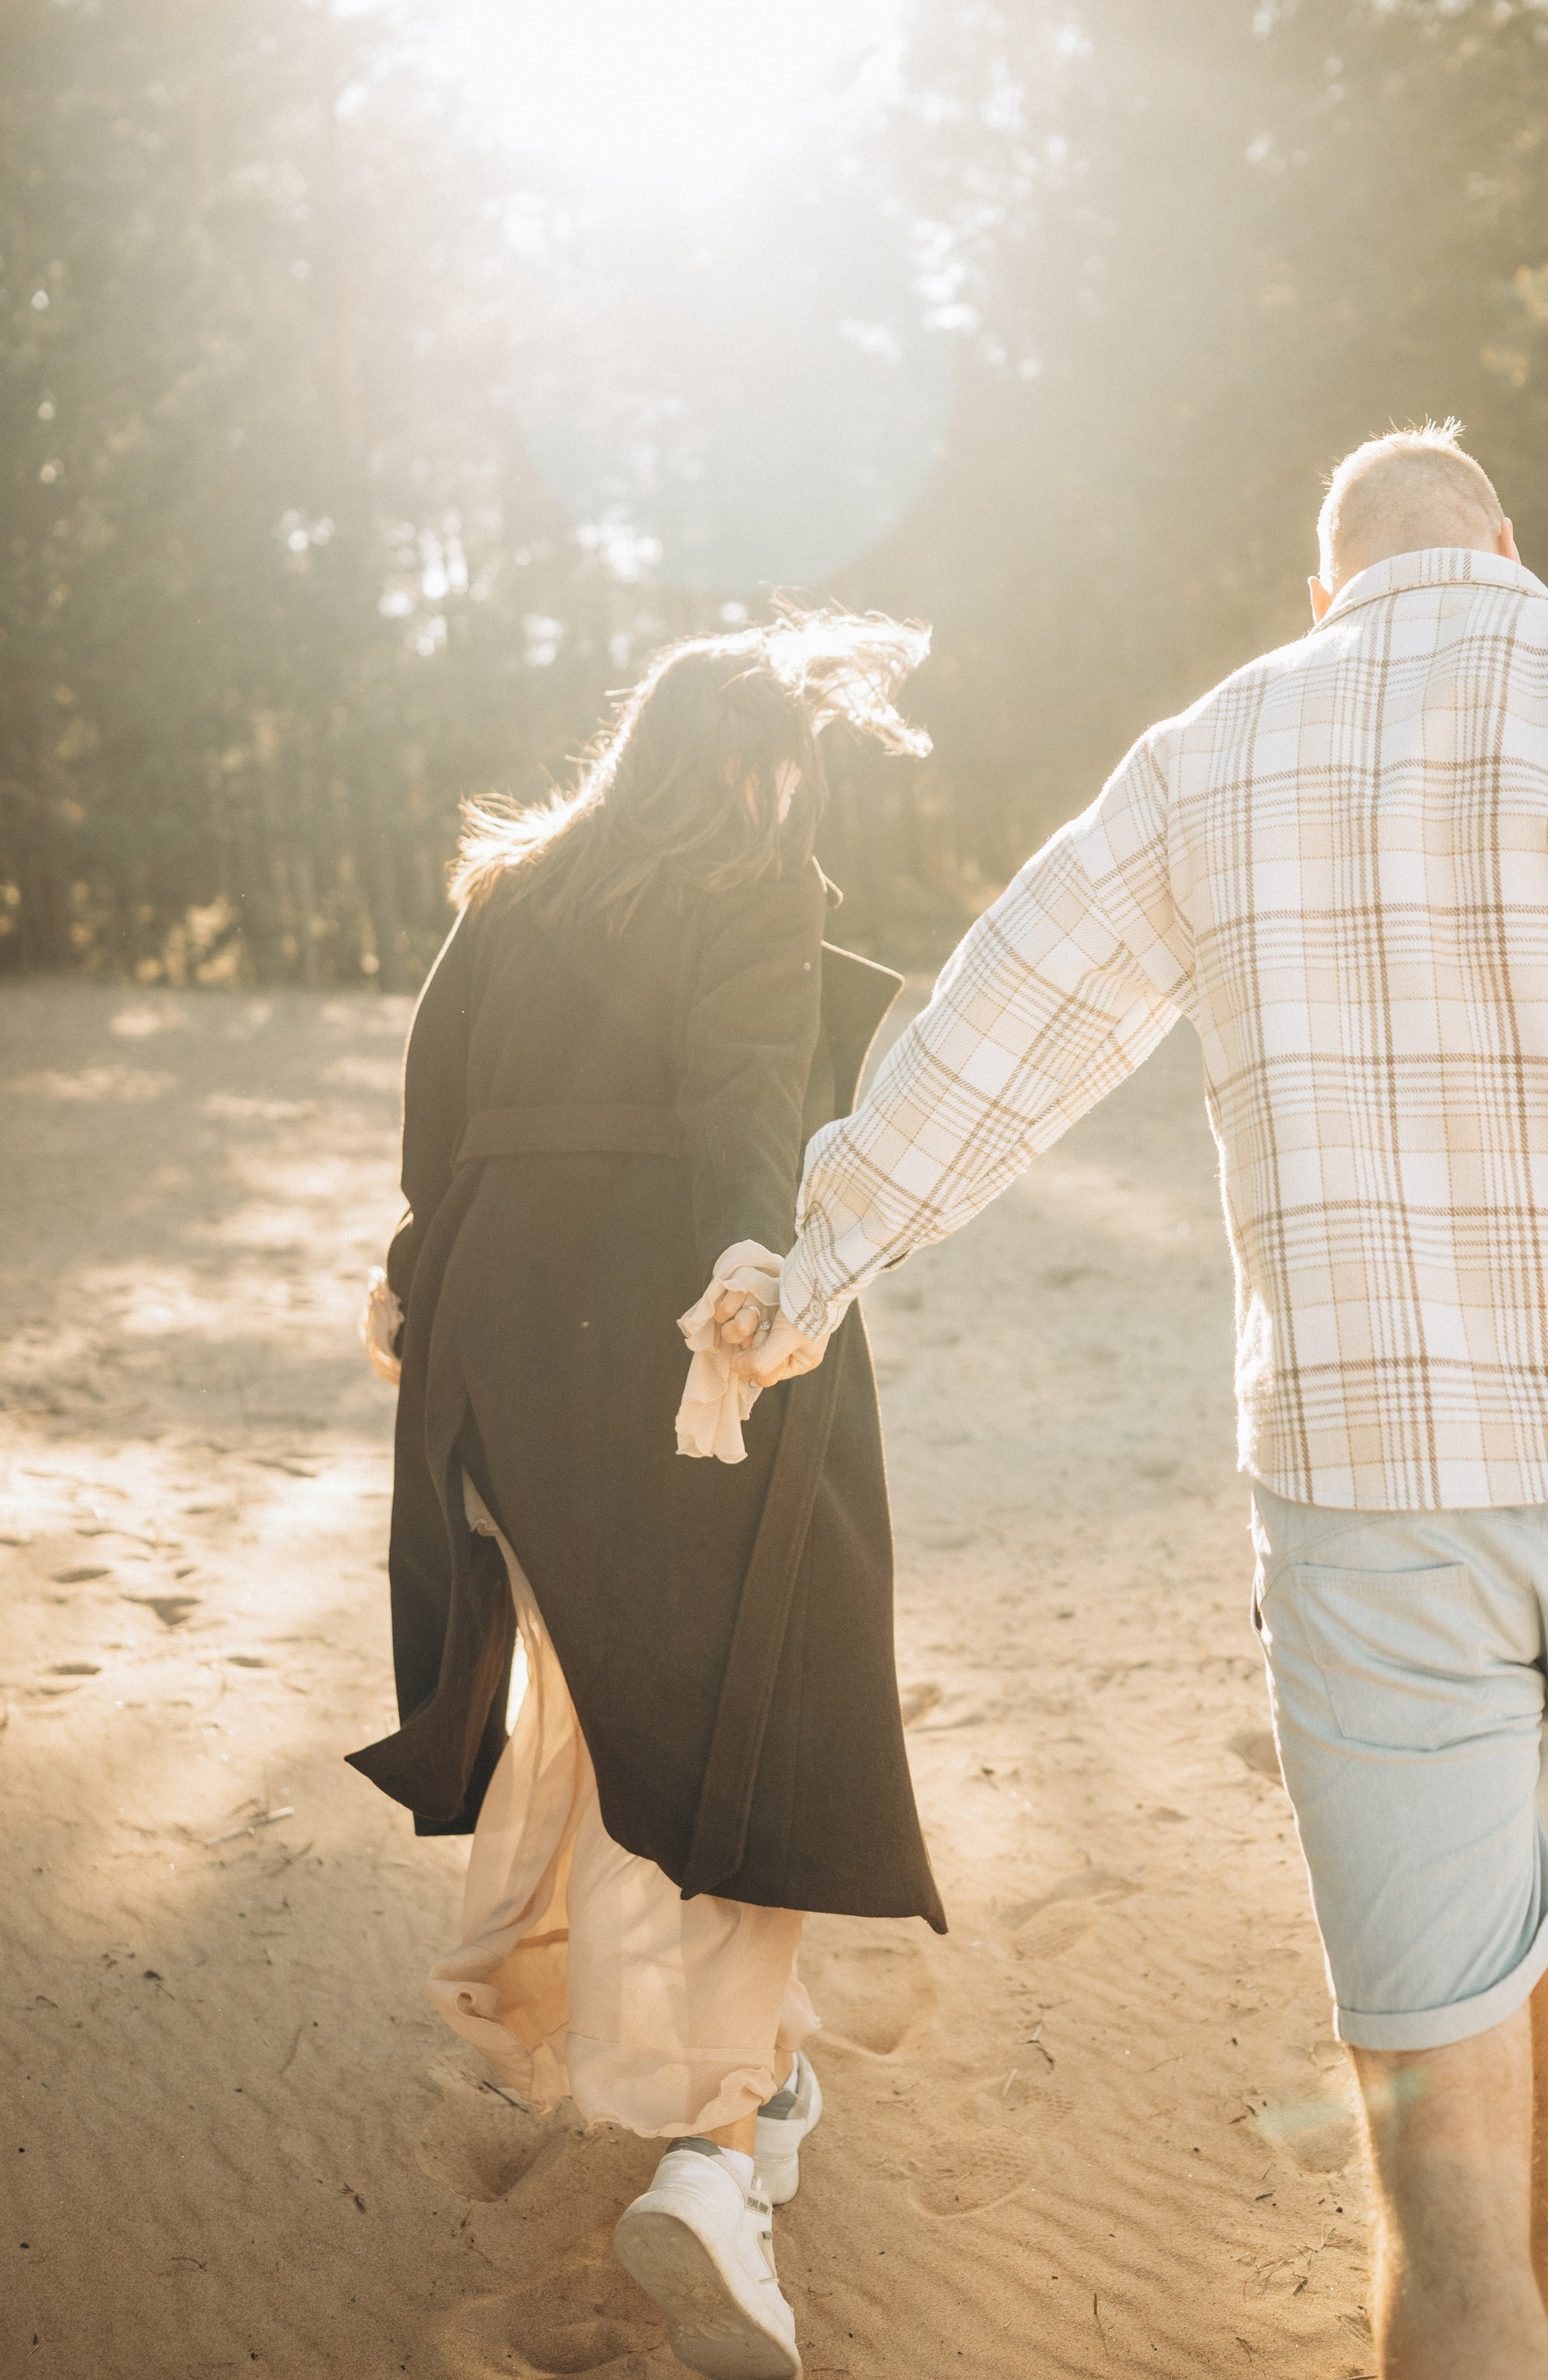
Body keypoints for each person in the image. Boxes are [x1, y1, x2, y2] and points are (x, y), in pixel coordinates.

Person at [737, 425, 1548, 2380]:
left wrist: (808, 1268)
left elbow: (1006, 1025)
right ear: (1504, 547)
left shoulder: (1215, 749)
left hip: (1373, 1512)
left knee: (1441, 2164)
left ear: (1321, 590)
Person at [346, 610, 946, 2380]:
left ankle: (724, 2082)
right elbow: (745, 1096)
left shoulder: (507, 891)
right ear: (747, 763)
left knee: (613, 1702)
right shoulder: (757, 876)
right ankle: (715, 2146)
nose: (801, 793)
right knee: (748, 1699)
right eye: (793, 765)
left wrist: (413, 1277)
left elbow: (429, 1114)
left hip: (493, 1326)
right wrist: (754, 1280)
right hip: (670, 1316)